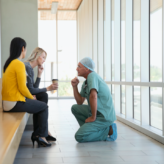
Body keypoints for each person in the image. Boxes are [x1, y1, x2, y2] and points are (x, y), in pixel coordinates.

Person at [2, 37, 51, 147]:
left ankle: (39, 135)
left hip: (7, 102)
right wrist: (31, 97)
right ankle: (42, 136)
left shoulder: (8, 63)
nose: (26, 51)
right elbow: (23, 88)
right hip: (14, 102)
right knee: (44, 106)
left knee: (41, 104)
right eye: (26, 49)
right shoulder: (19, 64)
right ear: (22, 48)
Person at [71, 57, 117, 143]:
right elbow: (80, 101)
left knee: (79, 137)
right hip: (97, 112)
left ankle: (109, 130)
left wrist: (93, 117)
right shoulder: (86, 82)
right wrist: (74, 87)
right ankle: (90, 130)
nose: (77, 69)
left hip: (104, 116)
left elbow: (93, 96)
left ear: (87, 68)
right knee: (75, 108)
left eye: (79, 66)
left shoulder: (92, 76)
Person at [24, 47, 58, 141]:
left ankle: (39, 132)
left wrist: (39, 74)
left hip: (26, 95)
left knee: (43, 95)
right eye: (43, 57)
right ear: (36, 55)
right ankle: (41, 132)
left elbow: (33, 88)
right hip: (22, 98)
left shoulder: (30, 68)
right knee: (43, 97)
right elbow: (31, 91)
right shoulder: (27, 67)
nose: (43, 60)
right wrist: (48, 88)